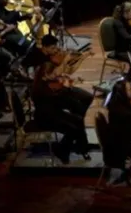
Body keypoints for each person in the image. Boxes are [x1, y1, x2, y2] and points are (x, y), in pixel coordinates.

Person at [31, 34, 92, 162]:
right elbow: (57, 80)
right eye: (53, 48)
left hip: (54, 108)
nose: (57, 51)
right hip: (45, 115)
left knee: (78, 120)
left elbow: (59, 77)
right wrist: (64, 81)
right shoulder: (43, 81)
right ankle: (63, 150)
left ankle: (82, 148)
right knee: (74, 127)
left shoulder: (49, 77)